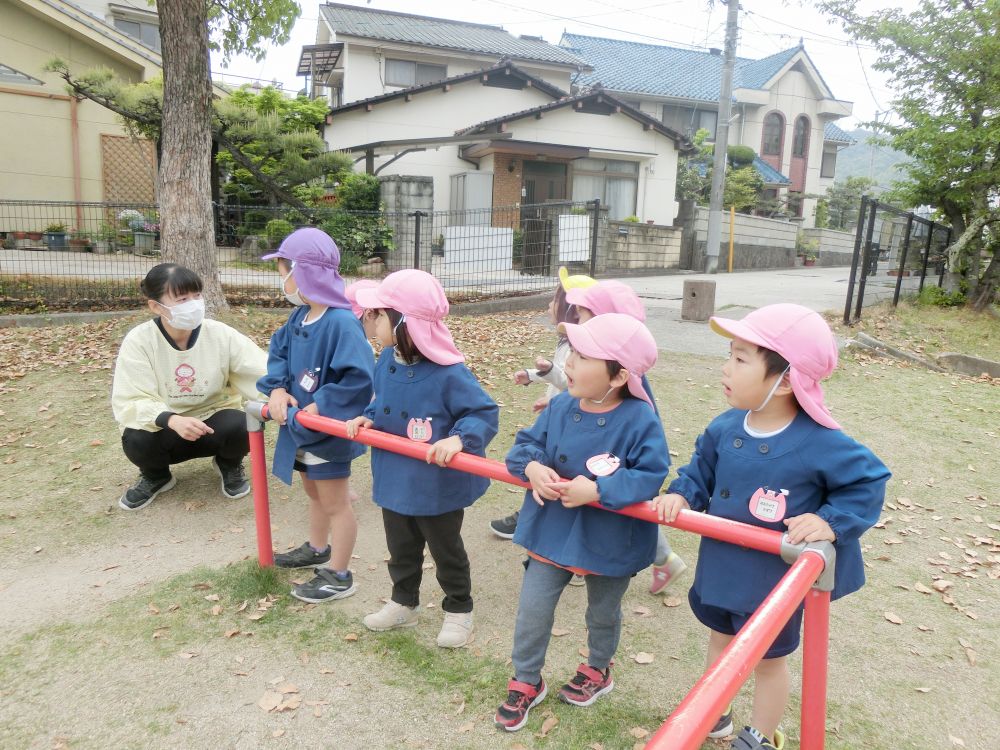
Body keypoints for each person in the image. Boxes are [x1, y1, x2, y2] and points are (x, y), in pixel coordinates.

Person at [652, 304, 890, 750]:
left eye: (741, 359)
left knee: (767, 661)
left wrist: (828, 521)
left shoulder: (819, 442)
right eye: (730, 354)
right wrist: (681, 492)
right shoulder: (724, 428)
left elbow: (868, 481)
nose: (725, 367)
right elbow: (700, 469)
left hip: (772, 582)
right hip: (721, 566)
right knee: (720, 640)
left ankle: (759, 736)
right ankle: (714, 712)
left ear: (784, 380)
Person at [495, 313, 670, 732]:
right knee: (532, 609)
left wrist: (599, 491)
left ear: (618, 375)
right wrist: (533, 468)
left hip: (609, 537)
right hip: (551, 529)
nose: (569, 363)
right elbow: (523, 447)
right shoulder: (559, 406)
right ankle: (526, 678)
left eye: (584, 356)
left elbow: (651, 473)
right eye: (572, 352)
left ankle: (597, 669)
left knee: (603, 612)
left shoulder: (640, 418)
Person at [346, 269, 499, 649]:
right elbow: (383, 398)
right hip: (394, 475)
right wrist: (370, 413)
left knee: (445, 549)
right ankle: (403, 602)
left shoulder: (449, 372)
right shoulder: (386, 360)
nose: (371, 321)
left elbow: (482, 413)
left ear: (403, 322)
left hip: (435, 484)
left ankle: (459, 608)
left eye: (378, 314)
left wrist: (460, 439)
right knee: (400, 547)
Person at [257, 228, 375, 604]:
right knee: (313, 490)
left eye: (283, 272)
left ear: (302, 271)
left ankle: (339, 573)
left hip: (326, 430)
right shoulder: (299, 318)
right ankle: (317, 546)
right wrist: (276, 388)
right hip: (300, 429)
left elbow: (358, 377)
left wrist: (322, 404)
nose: (283, 282)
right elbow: (277, 355)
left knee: (335, 500)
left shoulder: (340, 323)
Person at [564, 280, 688, 595]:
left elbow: (645, 441)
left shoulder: (626, 381)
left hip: (612, 462)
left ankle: (663, 558)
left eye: (583, 316)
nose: (579, 323)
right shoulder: (592, 365)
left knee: (626, 505)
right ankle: (664, 559)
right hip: (593, 457)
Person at [111, 263, 267, 511]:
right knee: (135, 437)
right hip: (166, 428)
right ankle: (156, 476)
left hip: (214, 420)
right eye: (182, 299)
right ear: (155, 306)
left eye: (197, 296)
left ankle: (229, 464)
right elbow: (130, 400)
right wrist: (171, 419)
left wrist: (282, 395)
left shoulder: (220, 334)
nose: (194, 304)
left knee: (244, 423)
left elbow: (259, 370)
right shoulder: (139, 341)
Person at [489, 267, 596, 540]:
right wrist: (543, 391)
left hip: (578, 423)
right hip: (561, 416)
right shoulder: (566, 341)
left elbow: (569, 380)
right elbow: (563, 380)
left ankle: (661, 552)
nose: (550, 305)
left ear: (571, 310)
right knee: (544, 466)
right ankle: (527, 515)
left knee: (572, 477)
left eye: (555, 300)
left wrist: (545, 372)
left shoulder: (583, 347)